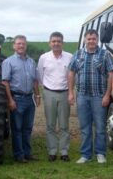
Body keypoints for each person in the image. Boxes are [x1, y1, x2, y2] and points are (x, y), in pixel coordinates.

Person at [68, 29, 113, 164]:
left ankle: (100, 153)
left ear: (97, 39)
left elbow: (111, 74)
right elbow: (71, 73)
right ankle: (85, 155)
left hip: (99, 96)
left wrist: (107, 95)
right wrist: (71, 92)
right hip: (82, 96)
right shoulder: (78, 54)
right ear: (84, 40)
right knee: (85, 127)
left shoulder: (105, 54)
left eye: (94, 38)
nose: (91, 41)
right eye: (89, 39)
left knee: (100, 127)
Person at [2, 35, 41, 163]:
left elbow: (35, 81)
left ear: (26, 45)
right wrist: (10, 100)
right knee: (17, 129)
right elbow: (6, 82)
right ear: (14, 45)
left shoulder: (31, 62)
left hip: (29, 99)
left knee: (27, 128)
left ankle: (27, 153)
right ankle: (19, 155)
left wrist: (37, 95)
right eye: (18, 43)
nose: (21, 46)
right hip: (16, 98)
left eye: (23, 44)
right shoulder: (8, 62)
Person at [37, 32, 73, 162]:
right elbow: (40, 75)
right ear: (49, 43)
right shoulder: (43, 58)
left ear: (62, 43)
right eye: (54, 41)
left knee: (64, 125)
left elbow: (72, 76)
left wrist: (70, 93)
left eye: (58, 41)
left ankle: (64, 151)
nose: (56, 43)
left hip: (64, 93)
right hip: (49, 92)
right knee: (50, 124)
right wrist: (46, 89)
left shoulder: (69, 57)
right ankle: (52, 151)